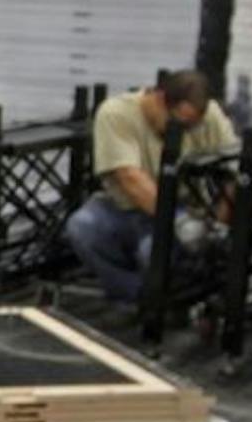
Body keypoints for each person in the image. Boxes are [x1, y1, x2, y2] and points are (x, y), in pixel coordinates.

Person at [63, 70, 236, 306]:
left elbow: (234, 172)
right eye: (180, 124)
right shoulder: (116, 113)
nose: (185, 131)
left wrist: (219, 223)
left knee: (152, 251)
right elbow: (129, 178)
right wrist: (178, 220)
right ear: (160, 99)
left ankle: (160, 295)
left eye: (192, 126)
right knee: (81, 227)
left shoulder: (210, 115)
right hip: (126, 207)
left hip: (188, 207)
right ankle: (136, 294)